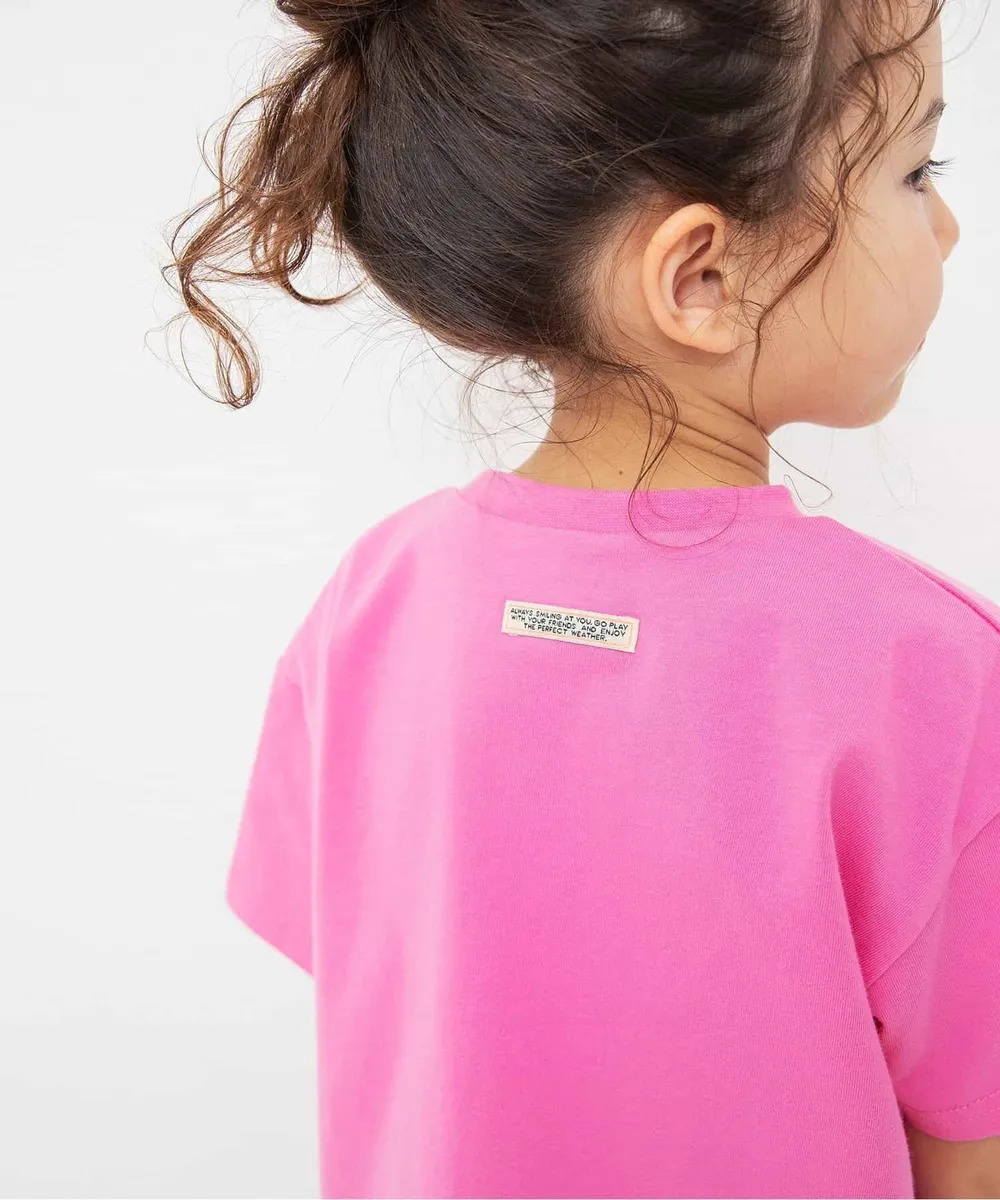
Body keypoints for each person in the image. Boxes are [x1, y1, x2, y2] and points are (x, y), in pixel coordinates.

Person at [167, 0, 1000, 1196]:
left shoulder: (377, 600)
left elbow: (384, 973)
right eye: (916, 172)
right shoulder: (930, 670)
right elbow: (970, 1151)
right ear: (700, 274)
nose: (949, 228)